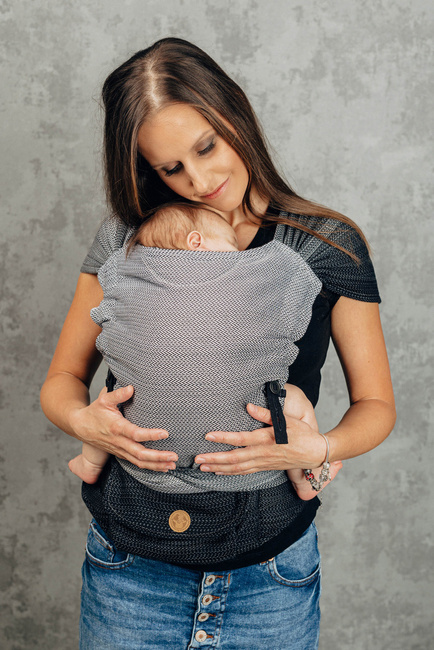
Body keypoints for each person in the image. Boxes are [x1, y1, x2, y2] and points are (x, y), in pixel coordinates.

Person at [40, 37, 395, 649]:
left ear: (235, 114)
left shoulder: (325, 246)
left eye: (206, 147)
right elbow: (61, 382)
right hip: (131, 573)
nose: (199, 179)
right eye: (170, 168)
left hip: (271, 574)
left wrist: (318, 448)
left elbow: (377, 408)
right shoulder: (132, 243)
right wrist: (84, 423)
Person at [67, 201, 342, 501]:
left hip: (140, 425)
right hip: (246, 417)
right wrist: (321, 448)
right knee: (297, 402)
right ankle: (306, 477)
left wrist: (81, 423)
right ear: (196, 242)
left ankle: (90, 463)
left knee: (107, 400)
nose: (237, 259)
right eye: (231, 249)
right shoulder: (267, 273)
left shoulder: (124, 269)